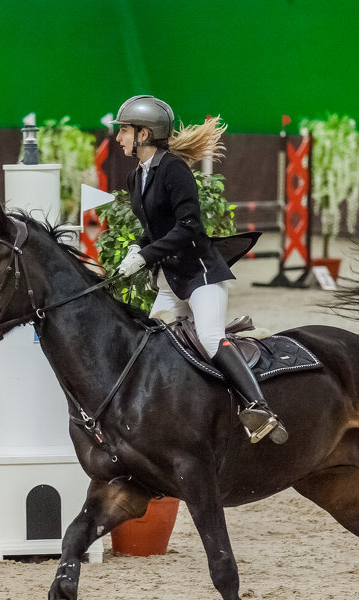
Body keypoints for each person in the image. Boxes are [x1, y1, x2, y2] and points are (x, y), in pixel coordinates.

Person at [112, 94, 287, 445]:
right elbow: (154, 226)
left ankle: (259, 408)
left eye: (125, 131)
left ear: (144, 135)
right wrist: (137, 245)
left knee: (209, 336)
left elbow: (189, 226)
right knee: (151, 342)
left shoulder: (174, 169)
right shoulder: (137, 177)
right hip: (170, 280)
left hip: (200, 275)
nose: (119, 138)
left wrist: (145, 256)